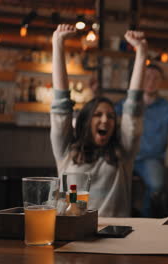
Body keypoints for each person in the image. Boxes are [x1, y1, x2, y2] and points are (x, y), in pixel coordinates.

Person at [51, 24, 147, 217]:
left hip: (115, 237)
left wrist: (142, 53)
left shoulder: (123, 153)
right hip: (72, 235)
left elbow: (133, 105)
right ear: (85, 121)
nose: (106, 120)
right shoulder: (67, 151)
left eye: (111, 116)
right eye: (98, 115)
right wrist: (58, 43)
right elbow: (61, 104)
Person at [115, 64, 168, 217]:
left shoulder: (167, 106)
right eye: (147, 77)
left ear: (161, 82)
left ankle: (147, 223)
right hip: (125, 156)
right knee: (110, 181)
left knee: (157, 186)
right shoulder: (128, 103)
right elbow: (106, 118)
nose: (151, 81)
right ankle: (122, 219)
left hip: (152, 159)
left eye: (155, 78)